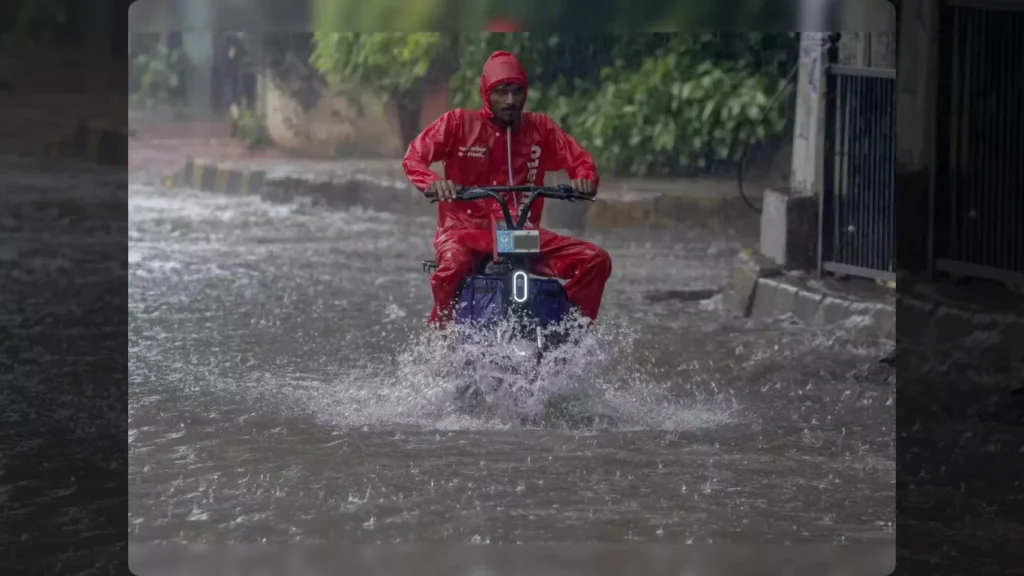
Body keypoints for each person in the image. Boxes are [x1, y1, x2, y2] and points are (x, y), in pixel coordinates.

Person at [402, 50, 613, 329]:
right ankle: (441, 334)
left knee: (594, 261)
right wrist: (433, 183)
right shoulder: (457, 123)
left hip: (518, 236)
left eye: (517, 91)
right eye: (501, 92)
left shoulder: (540, 128)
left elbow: (579, 161)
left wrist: (584, 178)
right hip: (462, 232)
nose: (511, 100)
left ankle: (569, 333)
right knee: (453, 266)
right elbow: (413, 157)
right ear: (486, 93)